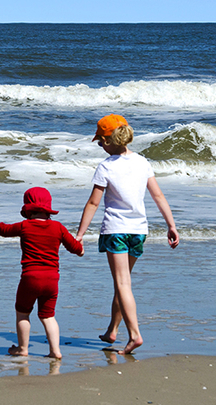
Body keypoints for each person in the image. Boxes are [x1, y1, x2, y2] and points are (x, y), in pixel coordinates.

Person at [75, 114, 179, 355]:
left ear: (108, 141)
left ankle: (134, 335)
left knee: (122, 283)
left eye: (100, 141)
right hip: (139, 231)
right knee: (123, 284)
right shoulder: (143, 162)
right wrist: (171, 225)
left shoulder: (106, 166)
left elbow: (93, 203)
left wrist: (80, 234)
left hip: (116, 230)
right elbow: (158, 196)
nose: (100, 146)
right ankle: (112, 329)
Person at [0, 187, 83, 359]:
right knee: (48, 316)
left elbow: (3, 230)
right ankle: (55, 351)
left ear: (27, 207)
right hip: (52, 279)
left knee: (23, 312)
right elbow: (76, 248)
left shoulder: (25, 226)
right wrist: (80, 249)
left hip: (30, 278)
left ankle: (22, 348)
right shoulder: (58, 227)